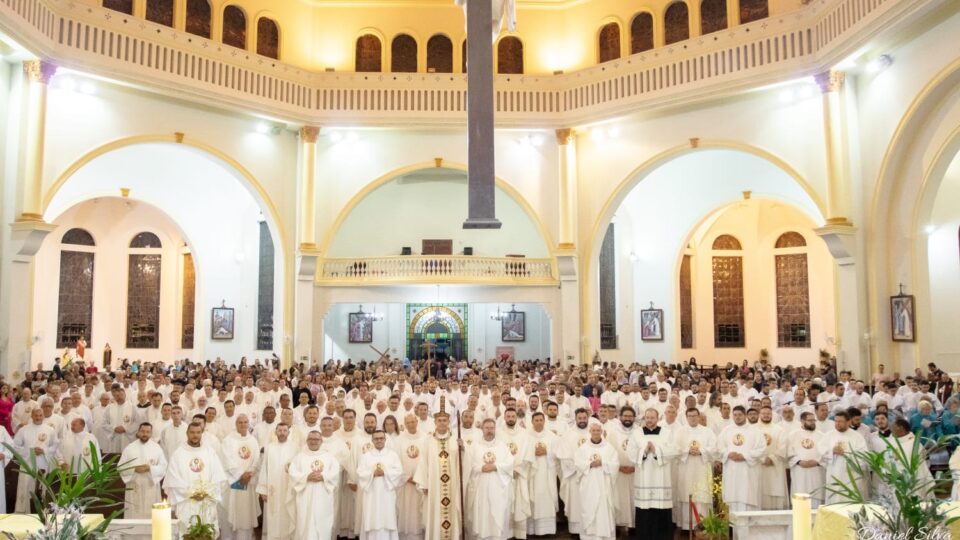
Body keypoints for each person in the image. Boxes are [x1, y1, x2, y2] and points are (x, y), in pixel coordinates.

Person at [165, 422, 228, 538]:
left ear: (202, 433)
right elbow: (173, 479)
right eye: (192, 432)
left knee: (207, 532)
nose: (195, 435)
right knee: (187, 532)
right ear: (187, 433)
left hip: (206, 501)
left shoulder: (210, 452)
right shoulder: (178, 454)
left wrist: (205, 492)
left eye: (198, 432)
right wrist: (191, 493)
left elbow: (218, 476)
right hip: (186, 501)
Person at [413, 397, 464, 540]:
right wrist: (423, 482)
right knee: (434, 513)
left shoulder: (456, 439)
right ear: (434, 422)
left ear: (449, 422)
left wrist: (464, 449)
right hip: (433, 486)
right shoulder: (428, 440)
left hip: (452, 486)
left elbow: (463, 463)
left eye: (445, 420)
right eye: (439, 420)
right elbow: (423, 461)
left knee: (452, 512)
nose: (442, 423)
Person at [627, 408, 677, 540]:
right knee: (644, 511)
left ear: (657, 418)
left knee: (661, 511)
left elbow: (673, 451)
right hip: (643, 478)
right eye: (647, 417)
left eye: (652, 418)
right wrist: (643, 452)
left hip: (661, 478)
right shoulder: (636, 433)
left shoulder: (666, 433)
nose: (649, 420)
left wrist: (656, 451)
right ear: (644, 418)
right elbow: (630, 452)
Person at [289, 430, 341, 539]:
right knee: (305, 522)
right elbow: (292, 472)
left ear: (321, 441)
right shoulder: (299, 457)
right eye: (311, 439)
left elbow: (336, 471)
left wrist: (324, 477)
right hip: (305, 496)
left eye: (316, 439)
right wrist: (306, 477)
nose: (313, 442)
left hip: (323, 496)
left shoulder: (329, 457)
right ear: (307, 441)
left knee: (323, 524)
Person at [470, 418, 514, 540]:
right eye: (487, 428)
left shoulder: (502, 446)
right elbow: (470, 464)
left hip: (498, 486)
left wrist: (495, 467)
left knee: (498, 511)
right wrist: (481, 468)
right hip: (481, 486)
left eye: (492, 428)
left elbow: (510, 463)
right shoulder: (475, 446)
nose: (489, 430)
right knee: (483, 512)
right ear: (482, 429)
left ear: (495, 429)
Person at [673, 408, 716, 530]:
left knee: (702, 494)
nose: (692, 418)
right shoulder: (680, 432)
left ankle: (703, 524)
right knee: (686, 493)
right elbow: (674, 449)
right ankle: (687, 526)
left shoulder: (708, 432)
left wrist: (701, 451)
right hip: (686, 469)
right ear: (686, 418)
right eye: (690, 416)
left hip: (702, 469)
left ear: (699, 417)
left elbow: (714, 449)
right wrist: (687, 451)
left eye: (695, 415)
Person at [356, 430, 404, 540]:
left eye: (381, 438)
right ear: (372, 440)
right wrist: (372, 473)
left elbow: (399, 471)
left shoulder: (392, 455)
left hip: (387, 493)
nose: (379, 440)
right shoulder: (366, 456)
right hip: (371, 494)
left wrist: (385, 473)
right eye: (376, 438)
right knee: (371, 517)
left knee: (387, 518)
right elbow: (360, 472)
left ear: (385, 440)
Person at [574, 422, 618, 540]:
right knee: (589, 507)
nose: (596, 433)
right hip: (589, 485)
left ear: (602, 432)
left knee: (603, 508)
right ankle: (589, 536)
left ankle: (604, 534)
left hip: (604, 485)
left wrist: (603, 463)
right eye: (593, 430)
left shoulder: (609, 448)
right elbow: (577, 464)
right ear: (590, 432)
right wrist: (590, 464)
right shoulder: (583, 448)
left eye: (598, 430)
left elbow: (615, 465)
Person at [717, 406, 765, 512]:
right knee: (732, 495)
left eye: (740, 415)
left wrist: (744, 456)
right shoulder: (726, 430)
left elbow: (762, 449)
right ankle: (732, 526)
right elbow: (719, 447)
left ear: (745, 416)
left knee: (747, 494)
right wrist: (728, 454)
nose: (737, 417)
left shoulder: (755, 431)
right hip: (731, 469)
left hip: (748, 471)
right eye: (735, 415)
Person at [221, 414, 261, 540]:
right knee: (233, 511)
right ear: (236, 424)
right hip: (234, 482)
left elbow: (256, 460)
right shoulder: (228, 440)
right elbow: (226, 459)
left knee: (246, 513)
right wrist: (240, 475)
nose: (243, 425)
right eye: (240, 422)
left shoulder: (253, 440)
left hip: (248, 482)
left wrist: (249, 474)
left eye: (245, 422)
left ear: (248, 424)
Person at [256, 422, 298, 540]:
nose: (282, 433)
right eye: (279, 430)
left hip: (288, 488)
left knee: (287, 513)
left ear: (288, 433)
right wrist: (263, 490)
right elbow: (264, 467)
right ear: (275, 432)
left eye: (285, 431)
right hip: (272, 488)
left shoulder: (295, 447)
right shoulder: (269, 447)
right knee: (272, 514)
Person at [818, 411, 868, 505]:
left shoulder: (857, 437)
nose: (837, 424)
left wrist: (846, 454)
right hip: (834, 474)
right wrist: (831, 451)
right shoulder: (829, 435)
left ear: (848, 422)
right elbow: (821, 452)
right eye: (836, 421)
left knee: (848, 500)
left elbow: (863, 457)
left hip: (851, 475)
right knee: (834, 499)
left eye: (840, 421)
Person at [13, 407, 58, 512]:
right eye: (36, 415)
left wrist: (44, 451)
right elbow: (15, 446)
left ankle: (43, 513)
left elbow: (55, 446)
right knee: (26, 488)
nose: (38, 417)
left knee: (41, 490)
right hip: (27, 465)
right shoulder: (24, 430)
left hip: (43, 464)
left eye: (40, 415)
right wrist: (30, 451)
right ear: (32, 416)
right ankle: (24, 512)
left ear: (43, 416)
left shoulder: (50, 430)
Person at [119, 423, 167, 518]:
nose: (145, 434)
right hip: (134, 485)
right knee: (134, 512)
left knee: (151, 513)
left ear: (151, 433)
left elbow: (163, 467)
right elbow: (121, 467)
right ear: (138, 432)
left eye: (147, 432)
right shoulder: (129, 448)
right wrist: (134, 469)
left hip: (150, 485)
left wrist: (150, 468)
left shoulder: (157, 448)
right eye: (143, 431)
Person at [524, 411, 559, 536]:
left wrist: (547, 452)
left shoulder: (552, 436)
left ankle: (547, 529)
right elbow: (522, 454)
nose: (539, 422)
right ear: (532, 422)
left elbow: (558, 454)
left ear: (544, 421)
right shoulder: (526, 436)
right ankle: (532, 529)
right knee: (532, 497)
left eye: (541, 420)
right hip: (532, 474)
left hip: (547, 474)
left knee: (546, 498)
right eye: (536, 420)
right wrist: (532, 453)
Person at [395, 414, 426, 540]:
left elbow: (428, 460)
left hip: (421, 483)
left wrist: (420, 478)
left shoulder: (425, 438)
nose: (411, 424)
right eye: (408, 422)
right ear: (405, 424)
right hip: (405, 483)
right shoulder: (399, 440)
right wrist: (407, 477)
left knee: (420, 510)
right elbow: (395, 462)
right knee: (405, 509)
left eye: (413, 421)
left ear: (417, 421)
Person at [787, 412, 825, 508]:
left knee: (816, 494)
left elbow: (825, 452)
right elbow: (789, 452)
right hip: (800, 470)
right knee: (800, 495)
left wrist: (816, 461)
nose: (813, 422)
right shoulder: (793, 435)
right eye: (810, 420)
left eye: (814, 420)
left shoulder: (821, 435)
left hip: (816, 470)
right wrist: (799, 461)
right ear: (802, 421)